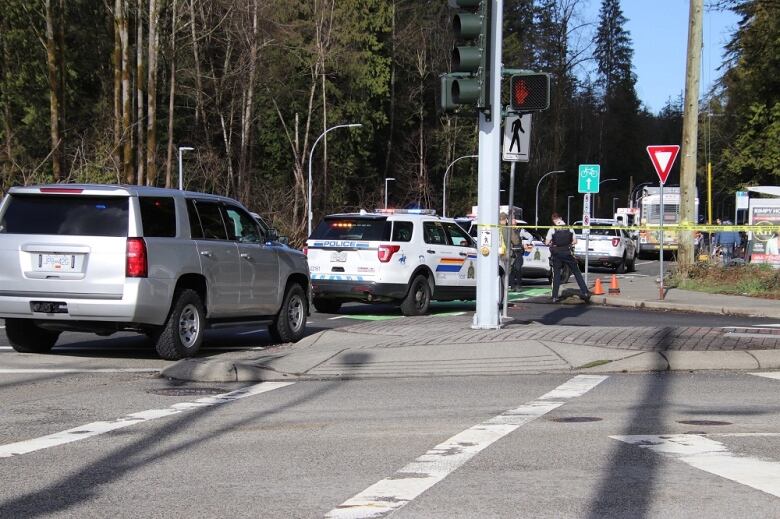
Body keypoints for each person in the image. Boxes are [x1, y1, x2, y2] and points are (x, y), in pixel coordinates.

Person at [545, 213, 590, 303]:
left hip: (557, 253)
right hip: (567, 252)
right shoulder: (569, 227)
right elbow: (575, 241)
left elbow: (547, 242)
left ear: (553, 220)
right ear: (561, 218)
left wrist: (553, 244)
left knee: (557, 275)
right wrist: (568, 243)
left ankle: (554, 296)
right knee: (576, 272)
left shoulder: (552, 229)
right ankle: (585, 292)